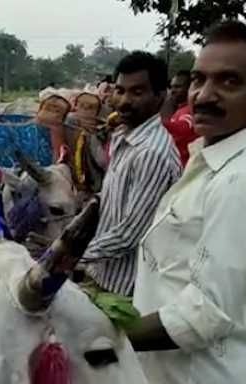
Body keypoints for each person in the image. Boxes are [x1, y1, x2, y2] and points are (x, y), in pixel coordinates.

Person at [126, 22, 246, 384]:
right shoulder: (213, 159)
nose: (202, 95)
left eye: (229, 81)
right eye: (199, 79)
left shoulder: (242, 184)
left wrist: (103, 337)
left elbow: (206, 314)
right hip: (173, 383)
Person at [78, 52, 182, 297]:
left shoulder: (151, 153)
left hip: (124, 288)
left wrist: (68, 253)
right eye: (120, 90)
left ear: (160, 96)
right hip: (102, 272)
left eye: (137, 92)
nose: (124, 101)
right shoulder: (124, 137)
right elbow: (114, 197)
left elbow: (127, 235)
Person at [161, 70, 199, 167]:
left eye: (177, 87)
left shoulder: (191, 111)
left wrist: (159, 120)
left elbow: (182, 130)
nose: (173, 90)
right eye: (172, 87)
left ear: (190, 88)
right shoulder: (178, 110)